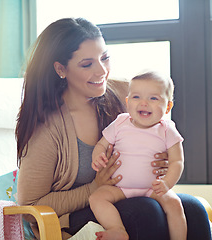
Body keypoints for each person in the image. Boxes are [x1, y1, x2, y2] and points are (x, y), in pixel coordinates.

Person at [16, 17, 211, 240]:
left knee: (193, 209)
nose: (102, 71)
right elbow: (30, 206)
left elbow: (160, 131)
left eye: (105, 58)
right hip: (77, 214)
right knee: (146, 213)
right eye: (87, 64)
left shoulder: (124, 92)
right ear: (61, 69)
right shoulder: (47, 128)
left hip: (135, 196)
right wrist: (94, 187)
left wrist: (164, 161)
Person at [90, 71, 186, 240]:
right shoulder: (120, 122)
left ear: (168, 107)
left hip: (153, 188)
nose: (144, 103)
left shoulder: (167, 129)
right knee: (96, 198)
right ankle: (117, 229)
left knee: (175, 204)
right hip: (119, 188)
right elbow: (101, 144)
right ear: (127, 102)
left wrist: (167, 183)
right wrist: (97, 156)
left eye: (153, 98)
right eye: (136, 97)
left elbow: (177, 161)